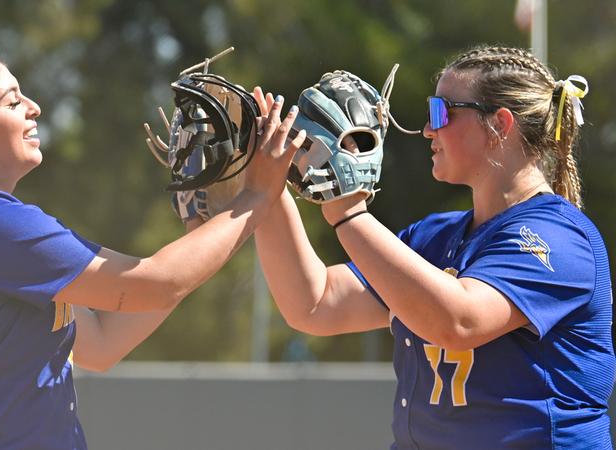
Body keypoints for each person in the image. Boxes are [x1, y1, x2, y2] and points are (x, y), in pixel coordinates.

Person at [0, 51, 306, 450]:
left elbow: (100, 343)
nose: (34, 107)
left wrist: (204, 235)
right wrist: (257, 197)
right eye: (13, 101)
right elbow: (154, 284)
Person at [253, 45, 614, 449]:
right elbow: (315, 303)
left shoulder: (558, 238)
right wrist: (266, 187)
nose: (428, 128)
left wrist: (348, 213)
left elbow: (458, 322)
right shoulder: (436, 235)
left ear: (500, 124)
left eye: (442, 111)